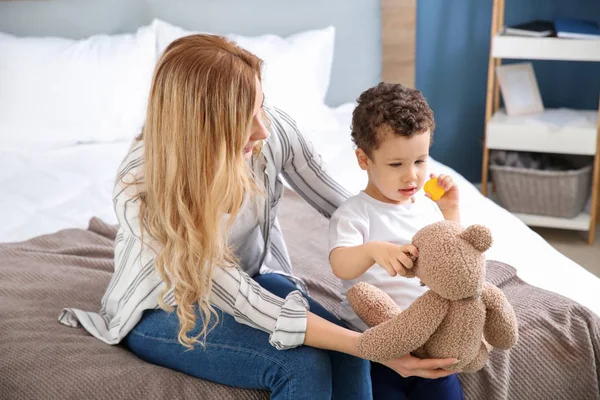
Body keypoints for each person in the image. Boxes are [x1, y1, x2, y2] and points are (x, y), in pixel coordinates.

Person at [58, 35, 457, 399]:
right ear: (202, 126)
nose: (263, 129)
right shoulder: (142, 189)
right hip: (163, 306)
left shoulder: (270, 130)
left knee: (348, 349)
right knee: (303, 363)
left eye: (260, 105)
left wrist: (428, 254)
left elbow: (343, 204)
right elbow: (240, 299)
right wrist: (375, 347)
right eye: (244, 118)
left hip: (254, 275)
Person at [329, 83, 464, 399]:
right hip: (377, 348)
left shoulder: (428, 207)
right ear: (364, 159)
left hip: (427, 340)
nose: (412, 177)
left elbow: (451, 257)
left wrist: (451, 212)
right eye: (396, 164)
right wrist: (372, 250)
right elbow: (341, 264)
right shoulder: (355, 213)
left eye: (420, 161)